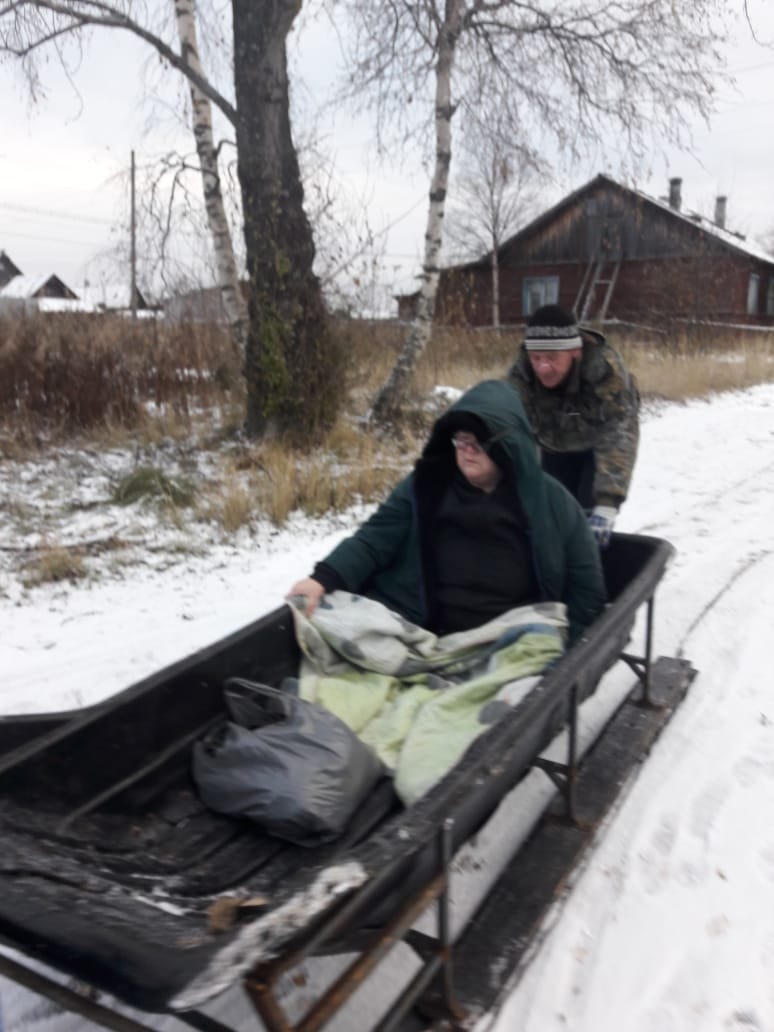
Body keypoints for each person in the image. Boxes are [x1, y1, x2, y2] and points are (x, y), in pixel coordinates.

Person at [287, 379, 606, 645]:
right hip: (424, 626)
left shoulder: (553, 502)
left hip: (510, 636)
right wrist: (323, 578)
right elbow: (375, 539)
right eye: (460, 440)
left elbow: (586, 586)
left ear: (509, 445)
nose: (466, 451)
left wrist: (569, 654)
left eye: (477, 443)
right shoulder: (426, 486)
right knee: (326, 634)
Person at [507, 304, 639, 547]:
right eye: (536, 358)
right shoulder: (521, 374)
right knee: (550, 521)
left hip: (594, 449)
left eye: (552, 358)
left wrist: (607, 502)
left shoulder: (605, 370)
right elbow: (506, 424)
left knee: (587, 525)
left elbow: (619, 432)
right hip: (553, 446)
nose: (543, 368)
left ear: (575, 351)